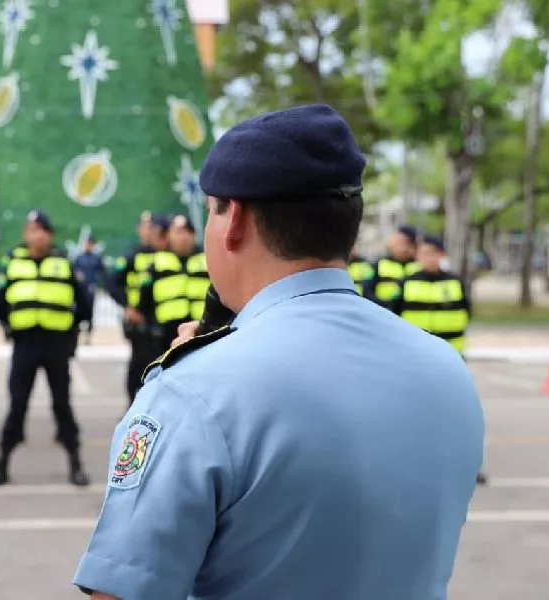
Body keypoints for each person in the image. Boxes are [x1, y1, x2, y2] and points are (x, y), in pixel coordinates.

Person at [73, 105, 484, 599]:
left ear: (235, 221)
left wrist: (185, 382)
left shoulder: (192, 391)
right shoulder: (445, 369)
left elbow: (120, 592)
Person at [0, 210, 92, 488]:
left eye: (43, 230)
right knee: (17, 406)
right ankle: (1, 465)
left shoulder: (64, 265)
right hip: (25, 345)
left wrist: (71, 333)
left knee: (62, 406)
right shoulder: (13, 264)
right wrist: (11, 327)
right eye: (33, 230)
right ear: (25, 234)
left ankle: (75, 464)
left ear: (50, 235)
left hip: (56, 346)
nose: (38, 235)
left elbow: (84, 305)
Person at [392, 236, 487, 486]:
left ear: (441, 256)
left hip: (451, 359)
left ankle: (466, 465)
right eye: (424, 253)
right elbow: (392, 316)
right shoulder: (407, 283)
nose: (429, 258)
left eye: (433, 253)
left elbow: (465, 312)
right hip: (413, 359)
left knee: (456, 415)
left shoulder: (454, 282)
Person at [108, 212, 166, 402]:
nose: (149, 231)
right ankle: (133, 407)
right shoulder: (132, 255)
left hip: (164, 319)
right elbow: (113, 282)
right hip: (141, 321)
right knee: (139, 366)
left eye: (153, 227)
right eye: (145, 226)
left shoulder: (168, 255)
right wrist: (128, 308)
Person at [140, 214, 210, 357]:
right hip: (165, 336)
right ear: (168, 235)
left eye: (188, 232)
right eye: (178, 232)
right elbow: (144, 299)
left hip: (203, 332)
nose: (183, 237)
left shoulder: (208, 261)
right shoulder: (157, 263)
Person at [370, 225, 420, 311]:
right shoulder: (381, 264)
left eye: (403, 243)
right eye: (396, 243)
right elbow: (367, 291)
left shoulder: (420, 265)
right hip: (384, 312)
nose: (400, 247)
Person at [72, 235, 107, 342]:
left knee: (90, 313)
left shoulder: (96, 258)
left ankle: (88, 336)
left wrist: (102, 286)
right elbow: (73, 272)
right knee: (77, 312)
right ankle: (76, 336)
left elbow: (103, 273)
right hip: (79, 290)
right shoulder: (79, 258)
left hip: (91, 289)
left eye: (89, 244)